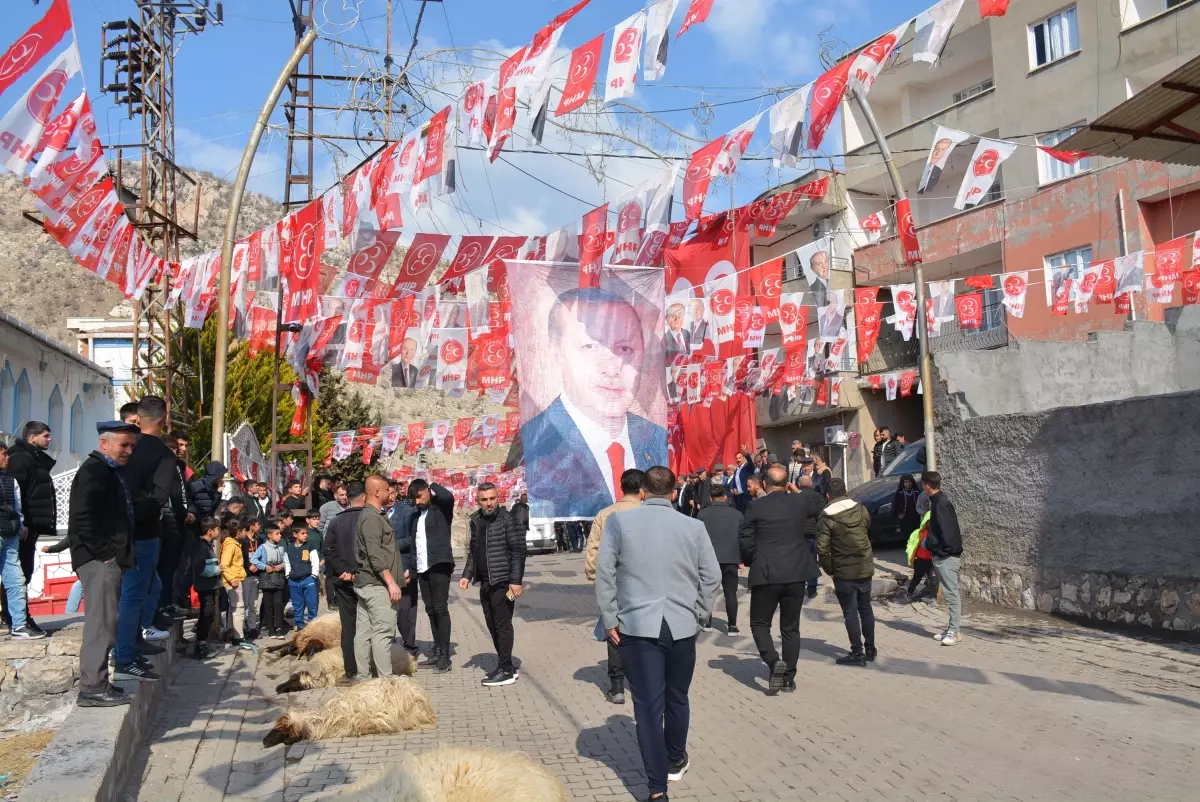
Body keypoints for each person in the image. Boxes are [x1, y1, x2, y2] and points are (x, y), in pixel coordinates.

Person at [594, 466, 720, 801]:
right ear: (675, 493)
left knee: (648, 709)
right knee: (677, 697)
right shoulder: (693, 526)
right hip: (681, 626)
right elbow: (712, 576)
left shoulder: (619, 523)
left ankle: (656, 789)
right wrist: (699, 613)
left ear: (644, 492)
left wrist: (610, 618)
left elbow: (604, 574)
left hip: (635, 626)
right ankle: (675, 759)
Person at [521, 288, 668, 519]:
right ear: (555, 353)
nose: (612, 367)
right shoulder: (539, 439)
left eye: (624, 349)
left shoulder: (656, 437)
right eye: (590, 347)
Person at [68, 421, 139, 706]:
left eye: (131, 445)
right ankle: (92, 687)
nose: (129, 451)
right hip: (98, 560)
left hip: (106, 558)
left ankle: (100, 683)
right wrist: (105, 553)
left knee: (108, 622)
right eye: (123, 445)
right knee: (101, 624)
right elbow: (83, 518)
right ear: (104, 443)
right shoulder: (94, 471)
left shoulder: (109, 470)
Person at [738, 465, 823, 693]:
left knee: (759, 623)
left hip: (766, 572)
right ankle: (788, 679)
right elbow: (820, 505)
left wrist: (748, 560)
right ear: (787, 484)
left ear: (764, 484)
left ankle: (774, 662)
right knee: (790, 627)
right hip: (796, 572)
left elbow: (745, 539)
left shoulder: (755, 506)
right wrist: (796, 491)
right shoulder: (800, 502)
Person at [114, 397, 176, 682]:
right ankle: (125, 656)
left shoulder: (123, 445)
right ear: (164, 418)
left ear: (137, 418)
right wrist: (137, 517)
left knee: (145, 588)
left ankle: (135, 641)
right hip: (145, 531)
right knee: (133, 594)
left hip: (120, 528)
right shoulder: (162, 454)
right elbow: (159, 497)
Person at [584, 468, 644, 705]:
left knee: (614, 631)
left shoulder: (605, 514)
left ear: (622, 488)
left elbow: (593, 549)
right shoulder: (649, 513)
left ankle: (617, 688)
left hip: (614, 582)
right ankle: (642, 682)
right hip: (645, 582)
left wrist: (593, 577)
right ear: (642, 490)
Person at [459, 482, 526, 687]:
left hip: (504, 582)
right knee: (492, 625)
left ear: (498, 497)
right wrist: (467, 575)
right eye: (484, 500)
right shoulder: (476, 521)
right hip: (486, 582)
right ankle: (505, 665)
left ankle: (506, 669)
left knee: (502, 625)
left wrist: (516, 581)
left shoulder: (508, 519)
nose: (489, 503)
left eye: (492, 499)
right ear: (478, 501)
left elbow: (518, 551)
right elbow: (474, 551)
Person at [2, 421, 56, 635]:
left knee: (21, 573)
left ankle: (16, 617)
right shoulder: (21, 459)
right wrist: (20, 523)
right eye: (45, 435)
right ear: (32, 437)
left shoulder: (32, 457)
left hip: (28, 526)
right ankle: (16, 618)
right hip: (19, 527)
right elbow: (16, 496)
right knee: (18, 573)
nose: (49, 440)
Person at [817, 478, 876, 666]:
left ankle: (857, 652)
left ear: (828, 495)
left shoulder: (827, 516)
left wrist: (830, 569)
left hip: (843, 569)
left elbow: (822, 548)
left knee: (850, 612)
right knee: (865, 608)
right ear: (846, 491)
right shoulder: (861, 508)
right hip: (864, 566)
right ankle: (870, 648)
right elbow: (867, 528)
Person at [354, 475, 406, 680]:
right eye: (386, 490)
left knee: (365, 634)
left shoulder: (373, 515)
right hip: (376, 585)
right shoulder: (372, 518)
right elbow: (375, 554)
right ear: (376, 492)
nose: (389, 494)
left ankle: (364, 679)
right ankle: (385, 681)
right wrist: (391, 582)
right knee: (382, 633)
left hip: (369, 583)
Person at [408, 478, 456, 672]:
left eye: (419, 496)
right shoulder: (415, 516)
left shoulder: (441, 509)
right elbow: (414, 545)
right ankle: (436, 651)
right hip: (422, 567)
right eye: (414, 499)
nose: (417, 502)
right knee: (430, 610)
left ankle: (445, 655)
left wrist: (432, 484)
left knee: (440, 608)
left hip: (439, 564)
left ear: (427, 491)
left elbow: (448, 496)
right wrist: (412, 569)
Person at [323, 481, 365, 680]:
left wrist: (342, 571)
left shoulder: (336, 521)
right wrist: (357, 572)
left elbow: (328, 549)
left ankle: (351, 669)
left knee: (348, 627)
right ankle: (366, 667)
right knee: (367, 624)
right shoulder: (370, 518)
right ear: (363, 497)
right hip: (367, 580)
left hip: (343, 580)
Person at [0, 443, 39, 640]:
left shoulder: (9, 480)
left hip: (10, 535)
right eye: (4, 454)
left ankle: (19, 625)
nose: (8, 458)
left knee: (16, 581)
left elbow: (16, 505)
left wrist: (21, 524)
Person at [922, 471, 964, 646]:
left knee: (951, 594)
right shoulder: (938, 502)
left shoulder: (941, 504)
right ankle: (950, 628)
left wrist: (936, 548)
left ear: (927, 485)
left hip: (946, 556)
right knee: (949, 593)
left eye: (922, 484)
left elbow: (947, 533)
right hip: (942, 554)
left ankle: (954, 631)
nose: (922, 487)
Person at [697, 483, 743, 635]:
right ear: (725, 497)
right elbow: (742, 538)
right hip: (730, 558)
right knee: (731, 593)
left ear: (710, 498)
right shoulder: (737, 515)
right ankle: (732, 626)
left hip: (709, 559)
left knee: (708, 591)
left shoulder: (702, 515)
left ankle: (707, 622)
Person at [389, 489, 420, 656]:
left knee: (405, 611)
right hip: (384, 570)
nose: (390, 495)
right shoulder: (375, 514)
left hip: (405, 568)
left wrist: (392, 544)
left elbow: (414, 538)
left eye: (392, 492)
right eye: (387, 492)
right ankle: (389, 645)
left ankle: (409, 646)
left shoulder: (408, 513)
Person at [191, 518, 223, 659]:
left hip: (210, 585)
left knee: (209, 613)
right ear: (210, 531)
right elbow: (199, 568)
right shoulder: (201, 546)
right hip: (205, 585)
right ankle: (201, 644)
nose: (218, 532)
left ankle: (202, 642)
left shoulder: (207, 545)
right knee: (206, 613)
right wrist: (217, 570)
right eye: (217, 529)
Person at [251, 522, 288, 636]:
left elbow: (287, 560)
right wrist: (264, 566)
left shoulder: (281, 548)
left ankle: (279, 627)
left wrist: (282, 565)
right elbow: (254, 559)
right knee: (268, 605)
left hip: (279, 579)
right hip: (267, 580)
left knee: (278, 604)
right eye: (277, 534)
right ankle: (270, 628)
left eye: (280, 533)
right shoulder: (263, 547)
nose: (279, 536)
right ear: (269, 536)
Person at [793, 476, 826, 600]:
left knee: (799, 560)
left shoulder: (795, 496)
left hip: (798, 532)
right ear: (811, 484)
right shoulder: (817, 496)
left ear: (799, 484)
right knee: (812, 559)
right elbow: (822, 514)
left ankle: (799, 586)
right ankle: (812, 588)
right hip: (812, 531)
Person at [220, 517, 251, 646]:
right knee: (238, 608)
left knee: (237, 608)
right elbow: (224, 565)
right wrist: (232, 579)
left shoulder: (233, 544)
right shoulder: (231, 546)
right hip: (233, 581)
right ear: (238, 532)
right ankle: (238, 637)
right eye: (244, 530)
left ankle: (237, 634)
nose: (246, 533)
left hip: (236, 579)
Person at [284, 525, 321, 630]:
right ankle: (299, 624)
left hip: (308, 579)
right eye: (303, 533)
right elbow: (286, 562)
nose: (305, 536)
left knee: (311, 603)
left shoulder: (310, 546)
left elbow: (315, 561)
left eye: (307, 533)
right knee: (297, 604)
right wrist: (288, 575)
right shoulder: (289, 548)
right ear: (295, 535)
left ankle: (312, 624)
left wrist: (314, 575)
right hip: (293, 581)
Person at [893, 474, 921, 541]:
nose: (908, 484)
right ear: (903, 483)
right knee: (907, 534)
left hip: (916, 516)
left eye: (909, 482)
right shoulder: (900, 493)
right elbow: (895, 505)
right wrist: (899, 514)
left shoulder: (916, 492)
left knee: (916, 533)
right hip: (905, 517)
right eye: (906, 482)